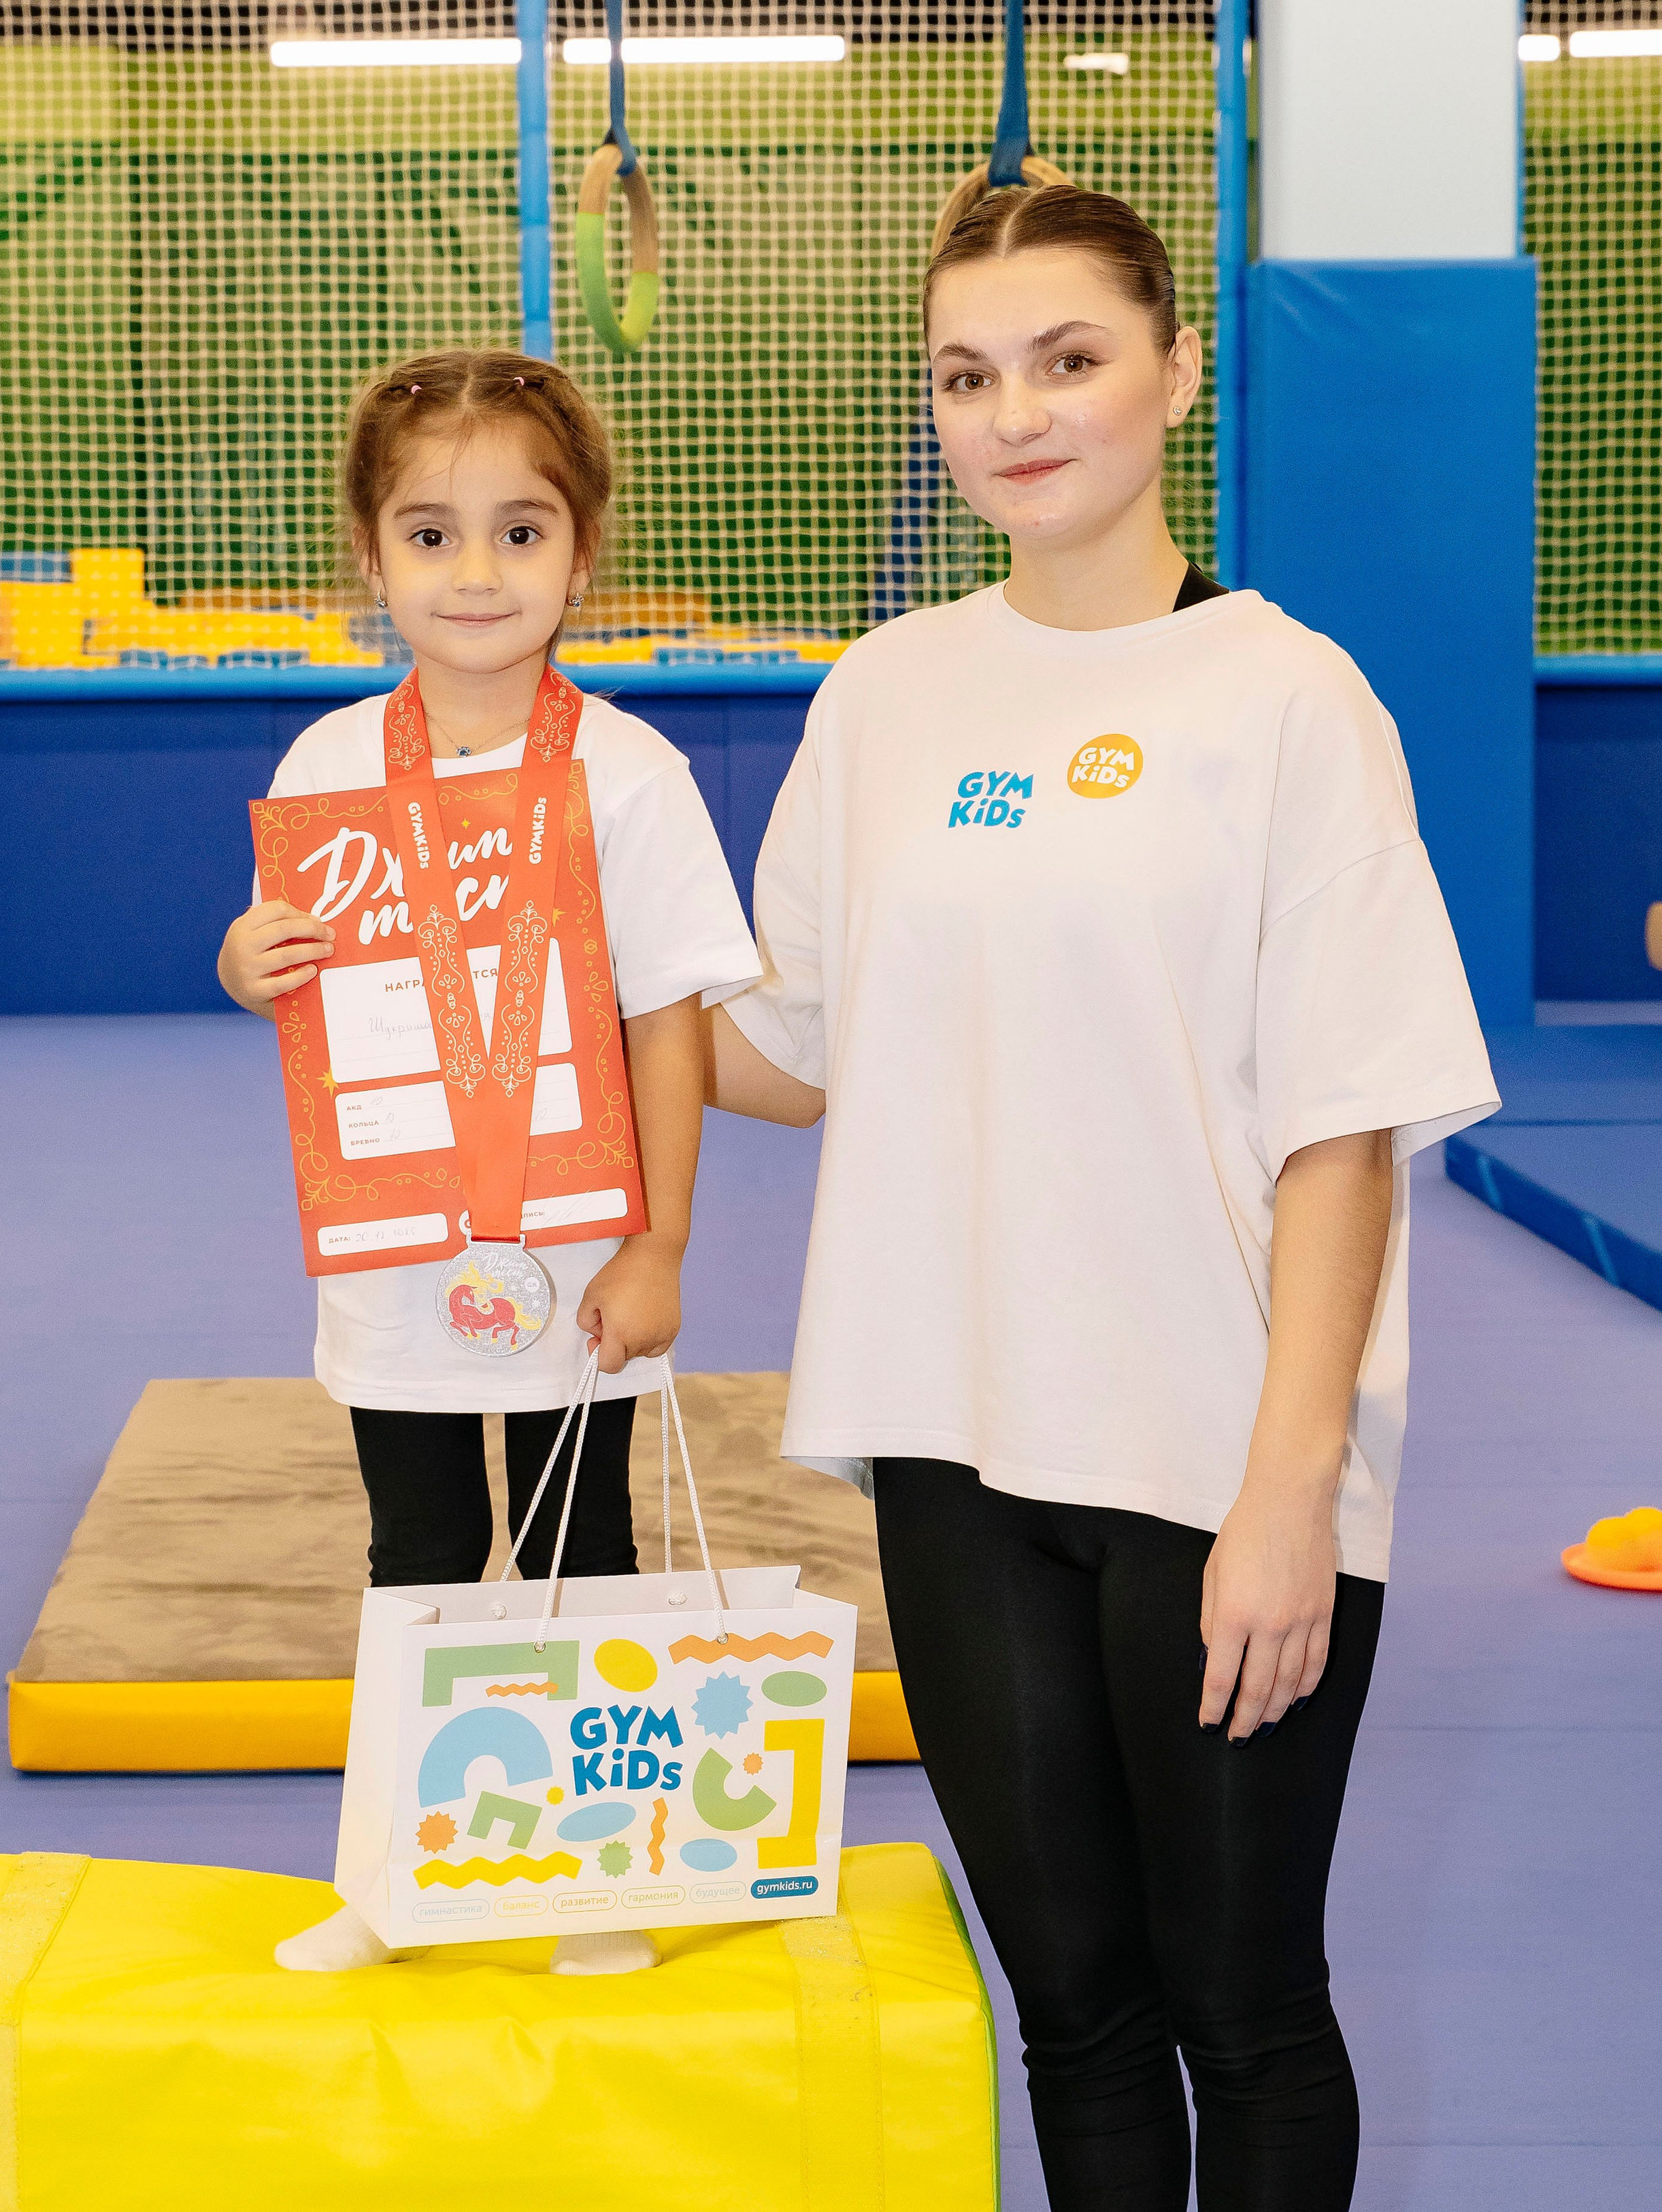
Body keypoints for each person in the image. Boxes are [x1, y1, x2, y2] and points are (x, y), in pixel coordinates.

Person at [705, 186, 1498, 2209]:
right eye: (968, 377)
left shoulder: (1286, 695)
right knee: (1072, 2003)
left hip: (1213, 1459)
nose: (1016, 416)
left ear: (1176, 371)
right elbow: (793, 1045)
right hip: (960, 1448)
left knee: (1242, 2000)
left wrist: (1292, 1489)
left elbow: (1349, 1122)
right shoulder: (882, 693)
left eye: (1067, 361)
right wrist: (509, 963)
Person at [218, 349, 759, 1975]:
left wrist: (657, 1245)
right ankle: (390, 1882)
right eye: (431, 534)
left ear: (579, 555)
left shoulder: (629, 775)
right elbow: (302, 991)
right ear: (370, 557)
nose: (475, 573)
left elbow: (668, 1026)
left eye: (518, 533)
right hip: (399, 1259)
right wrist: (245, 964)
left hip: (582, 1253)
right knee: (419, 1563)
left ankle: (594, 1881)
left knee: (585, 1553)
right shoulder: (325, 769)